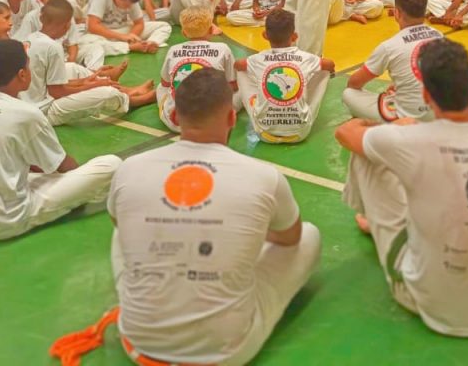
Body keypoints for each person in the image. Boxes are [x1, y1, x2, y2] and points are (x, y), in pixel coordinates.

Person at [109, 68, 320, 364]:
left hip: (139, 338)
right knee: (308, 235)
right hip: (225, 353)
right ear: (232, 118)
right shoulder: (264, 176)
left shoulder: (130, 168)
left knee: (124, 226)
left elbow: (121, 224)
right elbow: (290, 238)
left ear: (176, 116)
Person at [336, 38, 468, 337]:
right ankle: (380, 225)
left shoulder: (412, 141)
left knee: (366, 157)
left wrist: (398, 126)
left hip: (433, 306)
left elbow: (345, 133)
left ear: (426, 94)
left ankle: (374, 221)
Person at [0, 40, 122, 241]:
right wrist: (79, 187)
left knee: (19, 172)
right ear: (22, 74)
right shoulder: (27, 113)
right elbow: (63, 166)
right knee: (111, 164)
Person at [26, 0, 154, 125]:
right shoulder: (53, 47)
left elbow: (47, 83)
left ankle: (127, 90)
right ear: (67, 25)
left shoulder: (30, 38)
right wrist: (93, 85)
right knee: (107, 94)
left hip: (36, 98)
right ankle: (136, 100)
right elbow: (57, 92)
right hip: (43, 111)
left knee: (72, 68)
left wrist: (83, 82)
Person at [342, 0, 443, 122]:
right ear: (424, 11)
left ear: (397, 13)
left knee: (349, 94)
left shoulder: (389, 46)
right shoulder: (439, 36)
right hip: (441, 111)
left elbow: (354, 83)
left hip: (411, 116)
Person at [235, 10, 334, 143]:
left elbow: (238, 64)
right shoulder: (306, 58)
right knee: (323, 69)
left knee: (242, 70)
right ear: (294, 37)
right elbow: (330, 64)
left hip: (264, 133)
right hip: (300, 133)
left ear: (265, 35)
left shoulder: (257, 59)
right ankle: (304, 108)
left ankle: (255, 102)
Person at [158, 5, 237, 132]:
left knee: (161, 87)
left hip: (177, 122)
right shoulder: (223, 48)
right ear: (212, 30)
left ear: (183, 32)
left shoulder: (173, 50)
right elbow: (232, 84)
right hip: (212, 121)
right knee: (239, 85)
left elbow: (165, 83)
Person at [85, 0, 169, 55]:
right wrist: (121, 37)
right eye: (126, 5)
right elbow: (92, 26)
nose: (129, 8)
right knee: (94, 45)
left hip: (123, 31)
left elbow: (139, 23)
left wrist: (132, 36)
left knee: (164, 26)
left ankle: (148, 44)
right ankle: (131, 47)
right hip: (103, 35)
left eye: (130, 5)